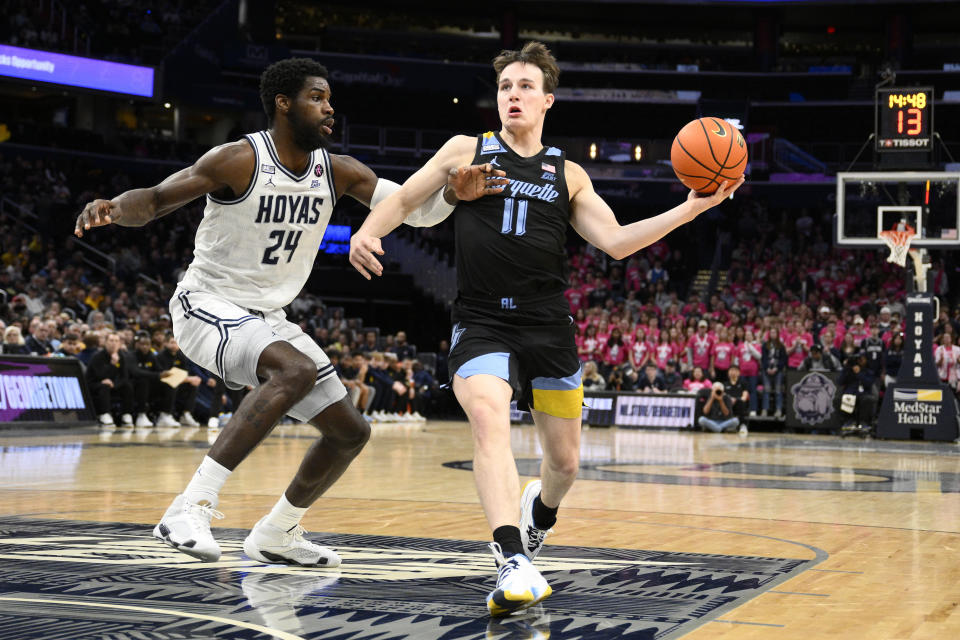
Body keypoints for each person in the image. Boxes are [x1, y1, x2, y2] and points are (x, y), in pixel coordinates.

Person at [348, 41, 742, 616]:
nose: (514, 94)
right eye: (506, 86)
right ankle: (510, 558)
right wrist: (368, 230)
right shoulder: (466, 150)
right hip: (481, 317)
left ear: (547, 100)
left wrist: (691, 210)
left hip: (548, 324)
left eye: (526, 86)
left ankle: (540, 517)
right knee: (488, 418)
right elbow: (406, 197)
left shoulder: (569, 172)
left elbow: (616, 242)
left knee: (564, 465)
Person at [75, 57, 498, 566]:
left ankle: (277, 531)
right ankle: (190, 507)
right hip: (206, 304)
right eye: (317, 98)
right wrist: (114, 207)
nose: (329, 108)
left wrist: (453, 192)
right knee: (293, 369)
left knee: (350, 432)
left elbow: (414, 209)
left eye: (329, 99)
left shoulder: (339, 170)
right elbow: (158, 199)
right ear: (283, 103)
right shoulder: (238, 159)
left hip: (268, 317)